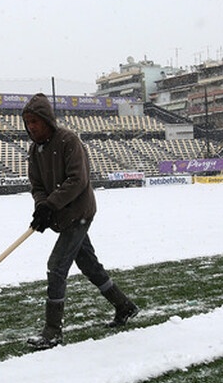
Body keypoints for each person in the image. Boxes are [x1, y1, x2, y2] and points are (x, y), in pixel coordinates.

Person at [21, 92, 138, 349]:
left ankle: (52, 331)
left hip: (80, 213)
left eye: (35, 122)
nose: (31, 127)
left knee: (56, 267)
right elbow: (37, 184)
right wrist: (42, 207)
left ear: (46, 120)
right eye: (27, 123)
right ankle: (125, 306)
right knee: (89, 265)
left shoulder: (68, 141)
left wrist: (51, 204)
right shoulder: (34, 150)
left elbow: (78, 180)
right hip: (61, 215)